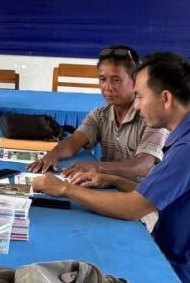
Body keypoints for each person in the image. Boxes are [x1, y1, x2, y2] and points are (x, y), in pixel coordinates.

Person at [32, 52, 190, 283]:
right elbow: (157, 193)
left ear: (166, 98)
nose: (137, 106)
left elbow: (133, 208)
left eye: (140, 96)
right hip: (180, 261)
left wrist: (65, 189)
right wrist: (114, 180)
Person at [27, 45, 167, 182]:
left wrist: (97, 167)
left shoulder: (152, 118)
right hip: (106, 185)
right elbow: (74, 142)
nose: (108, 87)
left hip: (139, 192)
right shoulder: (100, 115)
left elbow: (143, 166)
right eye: (102, 79)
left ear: (135, 81)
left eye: (116, 80)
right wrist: (53, 155)